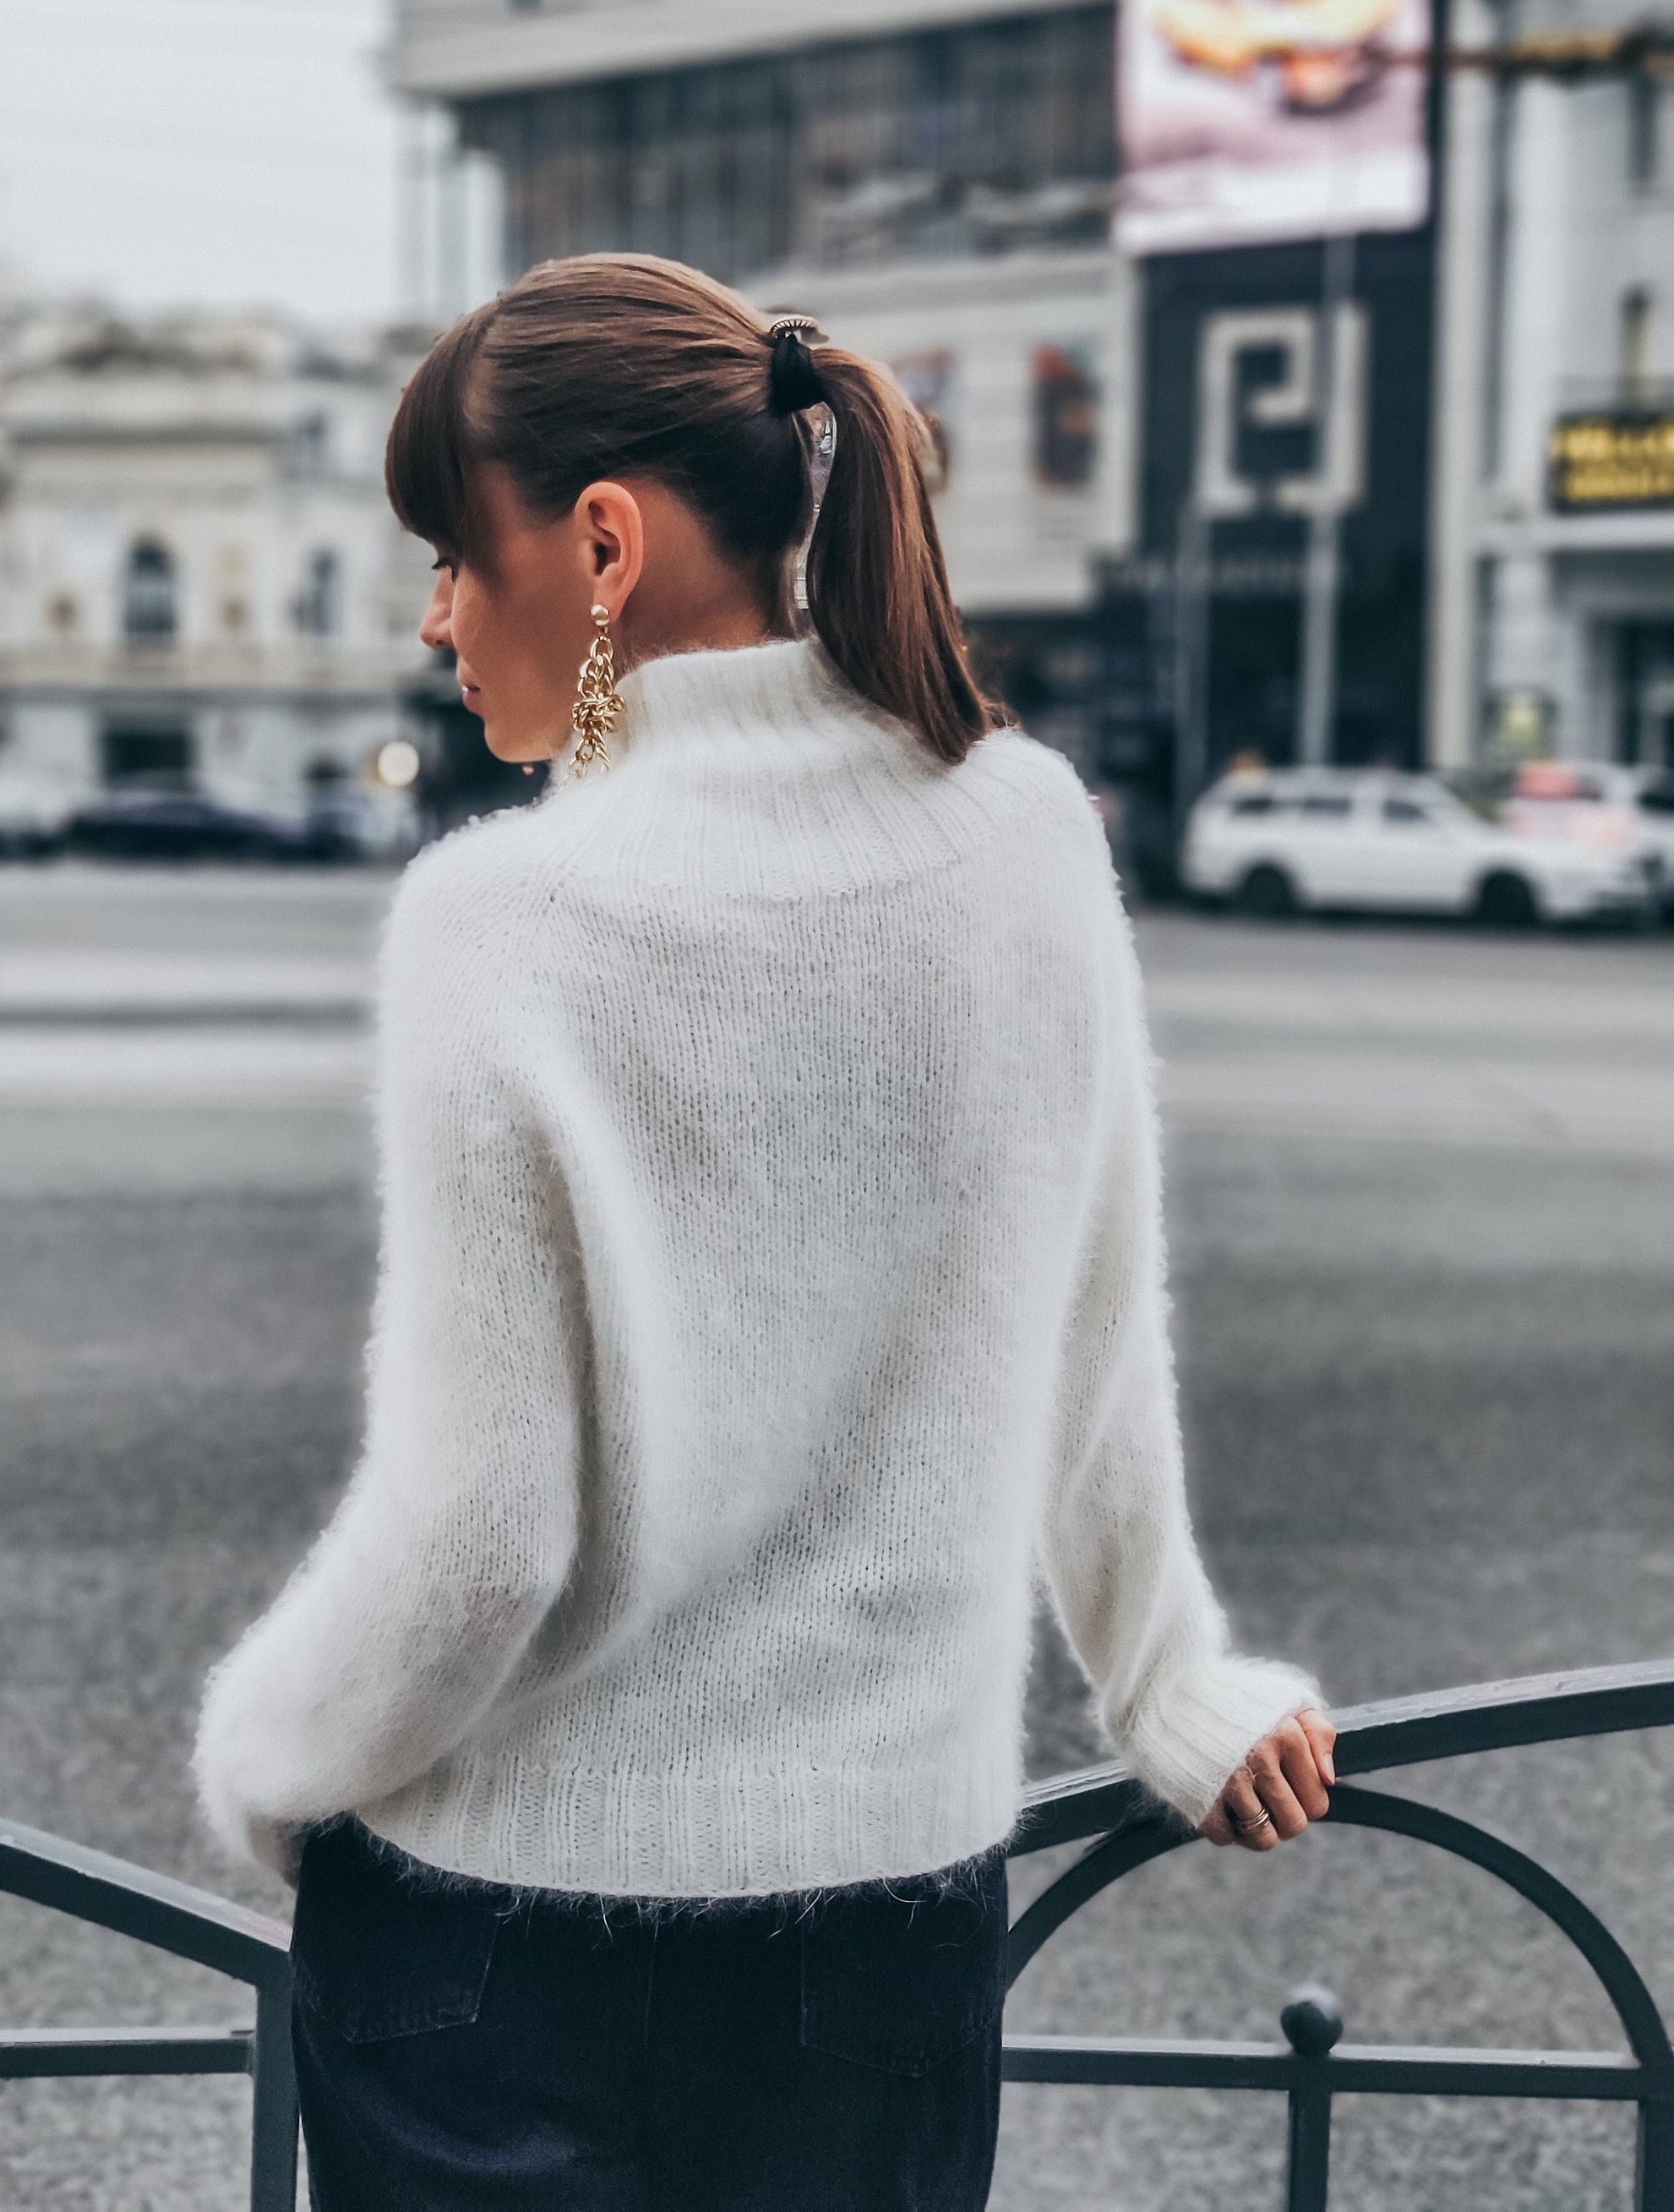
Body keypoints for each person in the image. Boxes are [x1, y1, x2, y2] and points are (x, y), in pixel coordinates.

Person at [194, 253, 1337, 2211]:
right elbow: (1091, 1322)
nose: (437, 614)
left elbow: (478, 1543)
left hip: (490, 1946)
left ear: (607, 545)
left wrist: (270, 1757)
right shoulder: (1027, 832)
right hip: (880, 1940)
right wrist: (1161, 1681)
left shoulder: (508, 923)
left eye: (455, 552)